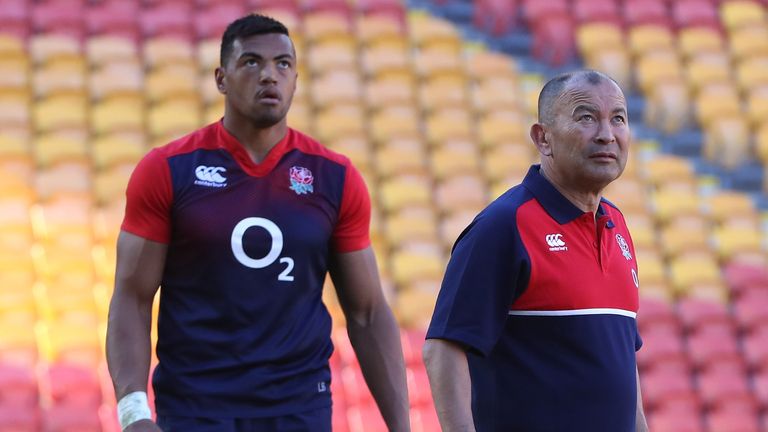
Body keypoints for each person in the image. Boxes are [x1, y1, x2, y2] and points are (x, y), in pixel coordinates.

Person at [105, 14, 411, 432]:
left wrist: (402, 427)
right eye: (251, 62)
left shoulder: (335, 178)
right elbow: (132, 297)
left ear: (297, 80)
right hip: (195, 409)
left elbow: (368, 312)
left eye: (283, 64)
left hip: (298, 409)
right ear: (221, 78)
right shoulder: (167, 170)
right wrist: (133, 412)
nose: (270, 75)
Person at [422, 70, 648, 432]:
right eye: (586, 117)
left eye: (618, 118)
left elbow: (622, 365)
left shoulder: (617, 226)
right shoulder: (505, 225)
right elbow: (443, 351)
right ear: (543, 138)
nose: (607, 134)